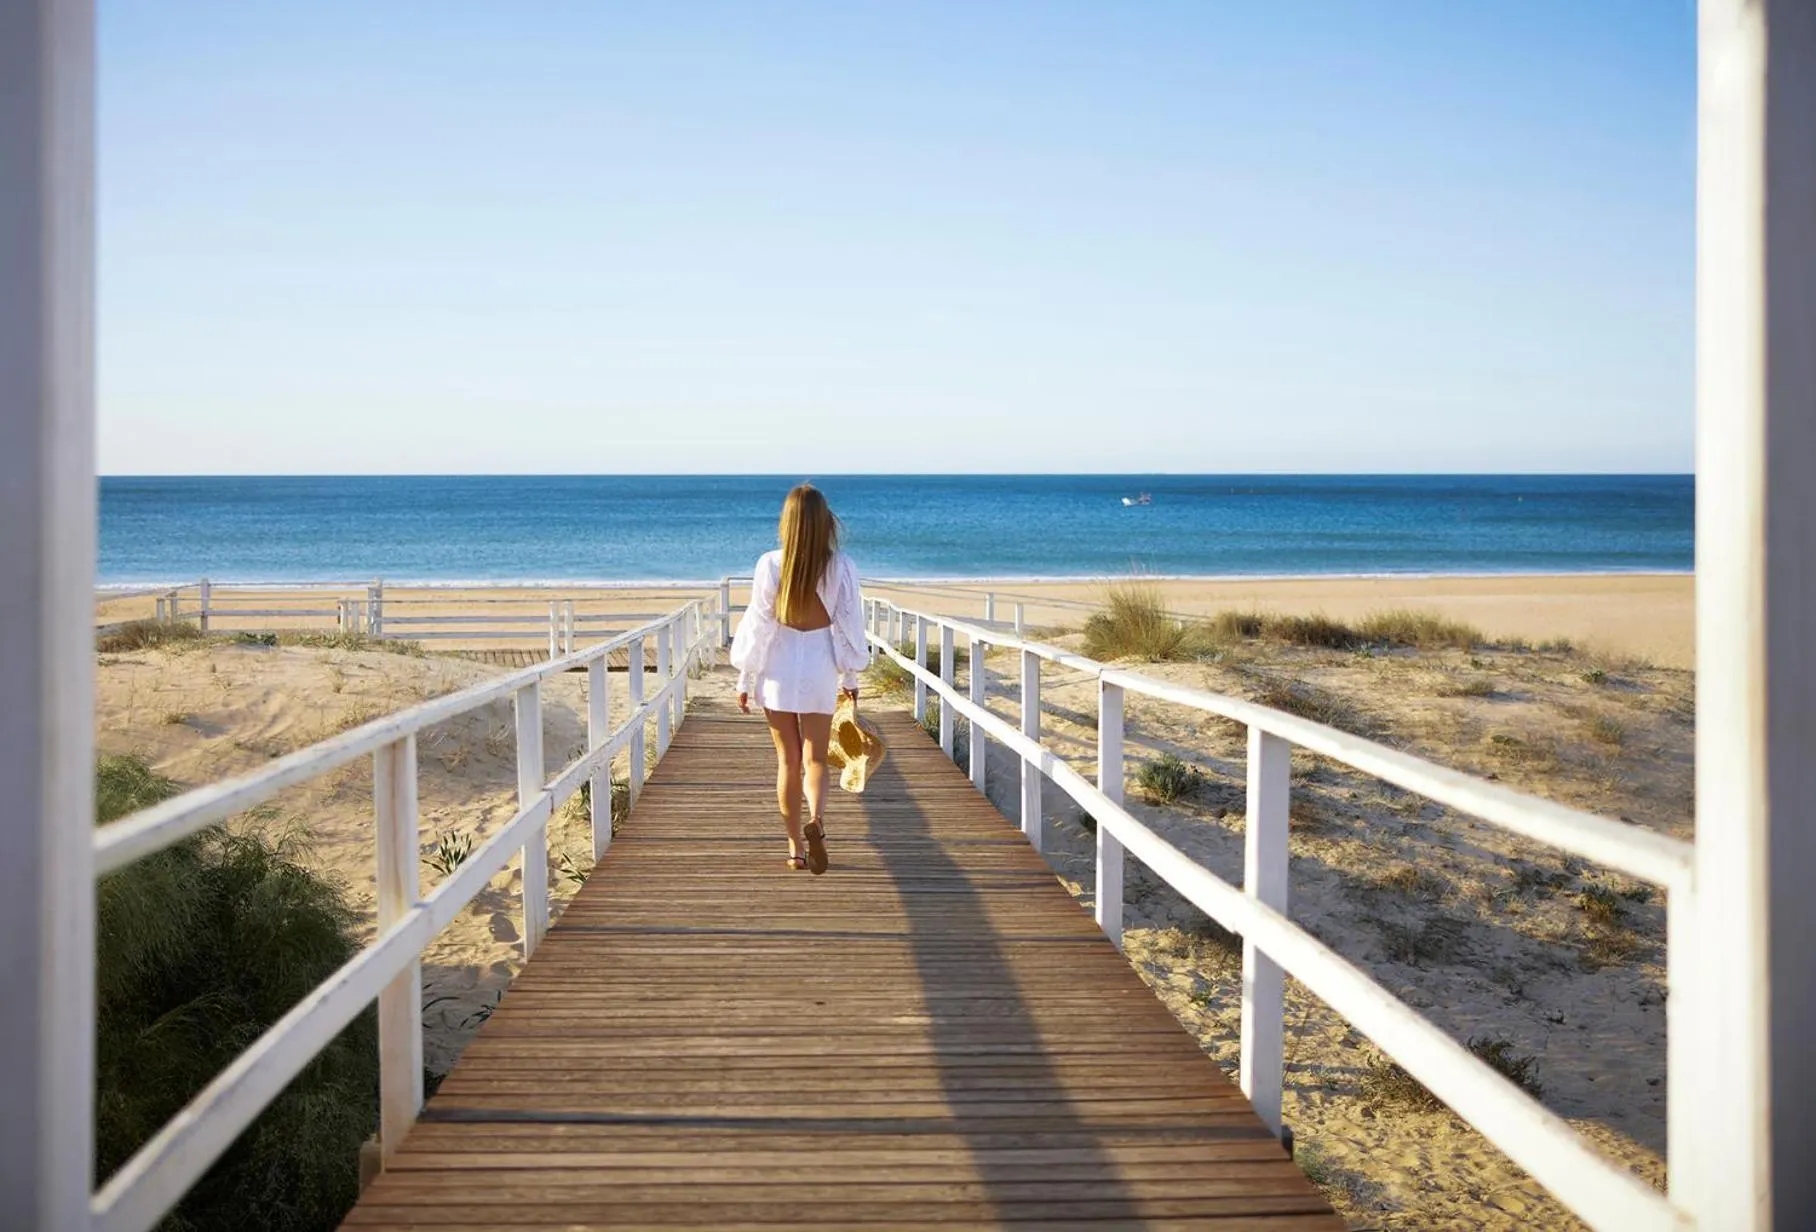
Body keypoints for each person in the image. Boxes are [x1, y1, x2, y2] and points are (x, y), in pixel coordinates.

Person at [730, 484, 868, 873]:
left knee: (787, 762)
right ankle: (818, 821)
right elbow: (848, 624)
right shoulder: (841, 566)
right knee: (816, 758)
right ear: (826, 521)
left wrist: (745, 678)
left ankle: (795, 849)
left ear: (786, 523)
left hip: (777, 669)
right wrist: (851, 675)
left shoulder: (770, 564)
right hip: (820, 668)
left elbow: (758, 626)